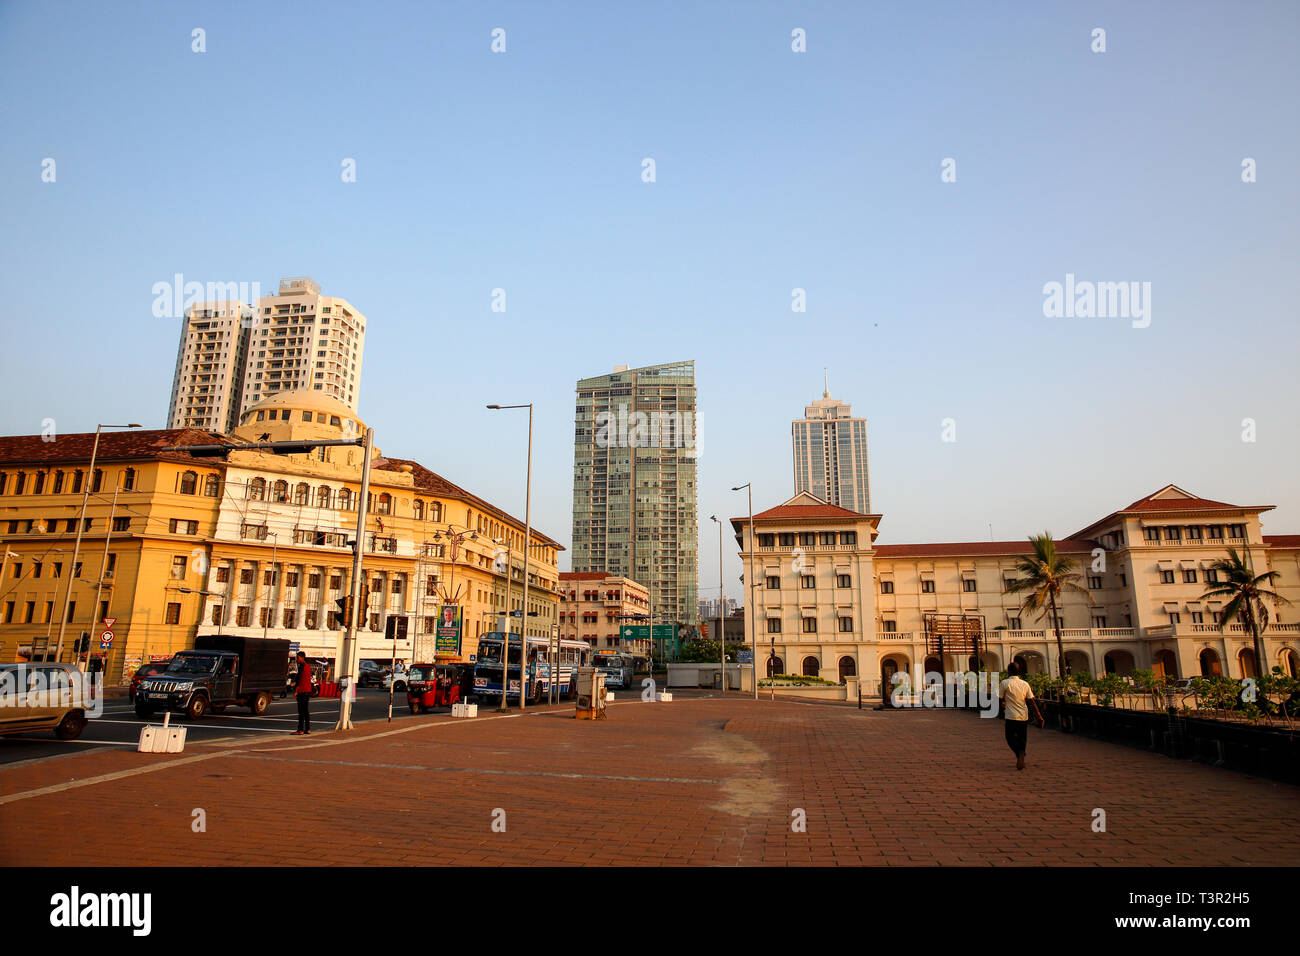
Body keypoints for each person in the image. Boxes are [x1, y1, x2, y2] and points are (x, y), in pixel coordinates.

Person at [998, 660, 1044, 770]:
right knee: (1022, 737)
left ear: (1009, 671)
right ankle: (1021, 751)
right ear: (1019, 672)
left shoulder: (1005, 683)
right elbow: (1031, 701)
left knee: (1010, 737)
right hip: (1023, 715)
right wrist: (1038, 715)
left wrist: (1002, 704)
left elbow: (999, 698)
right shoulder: (1025, 684)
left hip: (1011, 715)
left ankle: (1018, 753)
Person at [292, 651, 313, 735]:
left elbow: (299, 680)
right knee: (306, 711)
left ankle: (300, 729)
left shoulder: (302, 666)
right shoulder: (308, 666)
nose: (296, 659)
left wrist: (296, 691)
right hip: (308, 690)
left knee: (301, 711)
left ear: (301, 657)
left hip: (302, 691)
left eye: (297, 658)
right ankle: (308, 729)